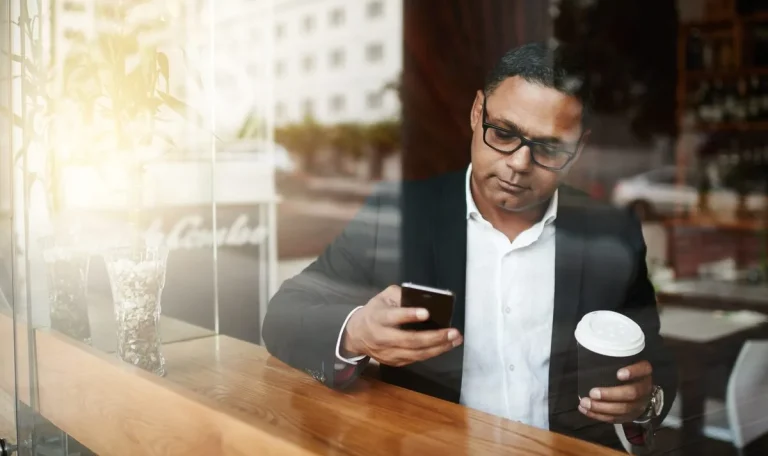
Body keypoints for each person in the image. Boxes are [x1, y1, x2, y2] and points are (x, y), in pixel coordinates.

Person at [263, 42, 677, 452]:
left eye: (549, 147)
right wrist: (356, 333)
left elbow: (655, 363)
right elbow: (284, 315)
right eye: (503, 133)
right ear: (477, 112)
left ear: (578, 149)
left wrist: (645, 400)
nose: (519, 162)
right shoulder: (399, 216)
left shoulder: (612, 233)